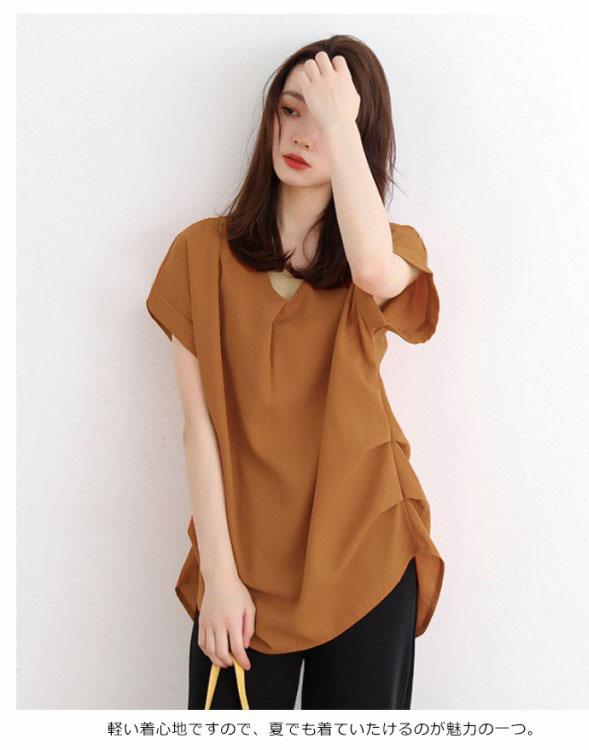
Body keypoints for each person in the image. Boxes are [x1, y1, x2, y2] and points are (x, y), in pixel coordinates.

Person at [146, 34, 444, 710]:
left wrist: (343, 126)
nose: (302, 134)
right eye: (290, 110)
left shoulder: (389, 250)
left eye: (327, 118)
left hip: (366, 549)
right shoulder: (198, 254)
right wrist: (220, 577)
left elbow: (371, 269)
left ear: (359, 138)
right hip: (244, 564)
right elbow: (199, 428)